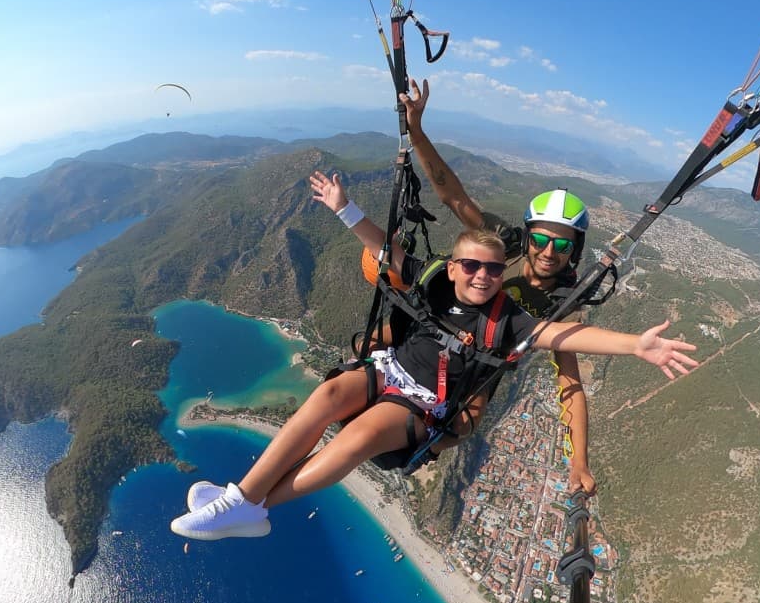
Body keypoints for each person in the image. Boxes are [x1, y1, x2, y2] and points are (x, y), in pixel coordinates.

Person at [169, 171, 698, 541]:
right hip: (392, 368)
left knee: (359, 436)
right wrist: (343, 207)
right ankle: (241, 499)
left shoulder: (512, 318)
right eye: (471, 267)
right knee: (328, 393)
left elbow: (566, 341)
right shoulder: (437, 282)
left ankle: (252, 508)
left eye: (492, 272)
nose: (482, 277)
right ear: (454, 266)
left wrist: (635, 346)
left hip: (432, 403)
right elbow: (389, 246)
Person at [400, 77, 599, 495]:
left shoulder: (562, 305)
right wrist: (416, 132)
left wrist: (579, 460)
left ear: (574, 251)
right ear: (527, 237)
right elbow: (452, 194)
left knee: (464, 422)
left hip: (481, 360)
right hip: (443, 322)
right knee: (384, 341)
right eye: (540, 239)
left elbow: (571, 385)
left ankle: (425, 445)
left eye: (561, 244)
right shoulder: (503, 245)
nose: (548, 251)